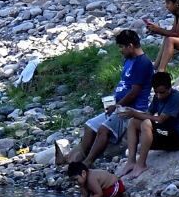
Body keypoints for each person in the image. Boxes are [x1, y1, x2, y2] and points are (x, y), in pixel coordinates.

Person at [57, 30, 154, 168]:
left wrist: (116, 106)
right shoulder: (129, 60)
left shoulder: (142, 63)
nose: (120, 50)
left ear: (130, 46)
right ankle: (73, 159)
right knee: (90, 126)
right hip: (119, 105)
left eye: (121, 47)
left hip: (131, 109)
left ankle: (87, 163)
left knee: (103, 129)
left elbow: (134, 92)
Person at [120, 72, 179, 177]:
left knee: (146, 124)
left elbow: (160, 119)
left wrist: (135, 113)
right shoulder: (157, 97)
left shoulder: (177, 97)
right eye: (156, 92)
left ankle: (141, 164)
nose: (159, 96)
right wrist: (132, 112)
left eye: (162, 92)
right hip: (166, 133)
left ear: (169, 88)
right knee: (133, 122)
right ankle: (131, 161)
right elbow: (148, 114)